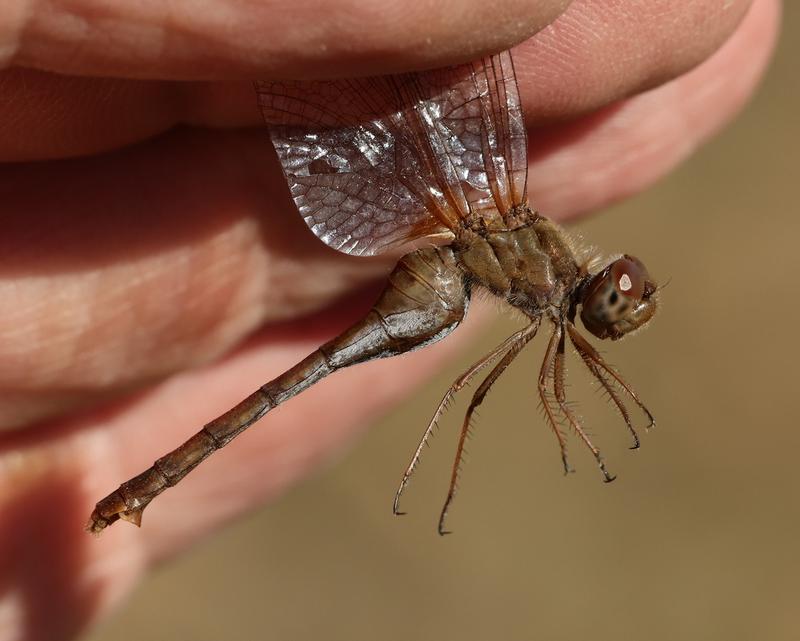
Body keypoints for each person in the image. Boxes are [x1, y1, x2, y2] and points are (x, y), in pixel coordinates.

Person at [0, 0, 779, 638]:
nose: (621, 300)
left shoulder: (545, 279)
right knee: (454, 389)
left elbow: (547, 378)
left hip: (445, 276)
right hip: (440, 275)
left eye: (624, 299)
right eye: (623, 292)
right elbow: (492, 390)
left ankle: (130, 497)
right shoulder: (530, 254)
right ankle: (140, 491)